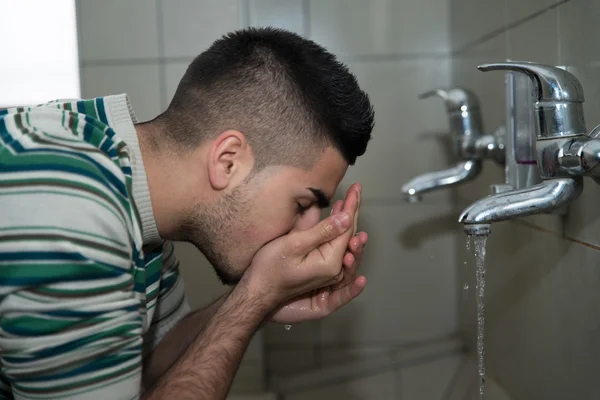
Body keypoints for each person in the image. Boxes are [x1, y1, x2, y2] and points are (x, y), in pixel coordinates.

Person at [0, 27, 374, 400]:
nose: (303, 232)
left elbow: (156, 359)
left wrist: (265, 299)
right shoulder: (73, 204)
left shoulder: (126, 187)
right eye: (302, 205)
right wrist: (255, 297)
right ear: (228, 161)